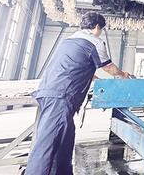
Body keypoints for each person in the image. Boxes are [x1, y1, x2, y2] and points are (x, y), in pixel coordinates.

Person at [25, 12, 132, 175]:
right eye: (101, 29)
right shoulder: (94, 42)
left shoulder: (69, 41)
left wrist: (96, 80)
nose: (100, 32)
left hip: (49, 92)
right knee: (47, 144)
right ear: (97, 26)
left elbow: (77, 67)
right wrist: (123, 75)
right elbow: (109, 67)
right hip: (61, 97)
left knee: (65, 140)